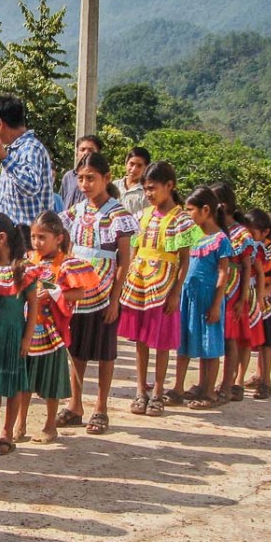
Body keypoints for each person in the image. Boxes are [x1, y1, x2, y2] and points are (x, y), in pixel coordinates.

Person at [59, 152, 137, 435]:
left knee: (105, 351)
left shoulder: (118, 214)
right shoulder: (78, 211)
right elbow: (67, 243)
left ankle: (101, 407)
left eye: (91, 178)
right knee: (76, 348)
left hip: (104, 290)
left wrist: (115, 299)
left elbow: (124, 260)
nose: (85, 184)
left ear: (106, 178)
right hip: (79, 288)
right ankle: (75, 404)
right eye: (81, 179)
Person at [118, 162, 201, 416]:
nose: (149, 194)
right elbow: (134, 250)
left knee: (161, 340)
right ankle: (140, 390)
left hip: (164, 285)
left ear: (169, 186)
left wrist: (176, 292)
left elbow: (184, 260)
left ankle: (157, 391)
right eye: (146, 189)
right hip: (140, 283)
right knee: (141, 339)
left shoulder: (181, 220)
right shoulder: (143, 216)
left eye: (153, 188)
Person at [19, 211, 97, 443]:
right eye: (33, 237)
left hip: (50, 331)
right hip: (27, 329)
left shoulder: (67, 264)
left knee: (51, 380)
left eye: (42, 237)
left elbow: (79, 293)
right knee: (24, 380)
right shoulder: (28, 260)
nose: (37, 242)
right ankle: (20, 424)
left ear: (59, 238)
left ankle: (50, 425)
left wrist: (53, 292)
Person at [168, 186, 233, 409]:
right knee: (183, 342)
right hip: (187, 297)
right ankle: (177, 388)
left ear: (206, 210)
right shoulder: (191, 235)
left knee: (210, 345)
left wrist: (216, 304)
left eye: (190, 210)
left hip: (208, 298)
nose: (187, 214)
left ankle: (209, 392)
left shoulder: (220, 240)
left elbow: (223, 273)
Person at [0, 212, 38, 454]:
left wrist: (27, 338)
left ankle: (7, 434)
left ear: (1, 238)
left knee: (13, 384)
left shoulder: (23, 269)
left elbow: (33, 306)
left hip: (13, 335)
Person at [212, 181, 257, 404]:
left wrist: (243, 298)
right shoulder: (215, 229)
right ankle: (213, 382)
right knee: (218, 335)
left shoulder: (241, 233)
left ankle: (227, 384)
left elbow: (247, 267)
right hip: (217, 286)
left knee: (231, 337)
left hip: (234, 290)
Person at [0, 94, 53, 232]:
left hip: (30, 236)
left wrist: (5, 158)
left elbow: (30, 186)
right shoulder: (13, 150)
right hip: (13, 235)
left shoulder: (30, 147)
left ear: (0, 124)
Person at [244, 209, 271, 400]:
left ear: (266, 232)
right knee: (250, 340)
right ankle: (253, 378)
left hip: (266, 303)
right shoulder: (252, 247)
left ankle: (265, 381)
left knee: (266, 343)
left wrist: (269, 289)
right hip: (252, 299)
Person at [59, 135, 103, 211]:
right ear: (76, 154)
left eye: (91, 150)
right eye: (82, 150)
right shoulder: (68, 177)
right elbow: (62, 202)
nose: (86, 153)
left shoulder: (101, 177)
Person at [115, 146, 150, 219]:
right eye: (131, 164)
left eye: (139, 166)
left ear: (146, 168)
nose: (134, 169)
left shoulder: (146, 191)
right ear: (126, 163)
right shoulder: (115, 185)